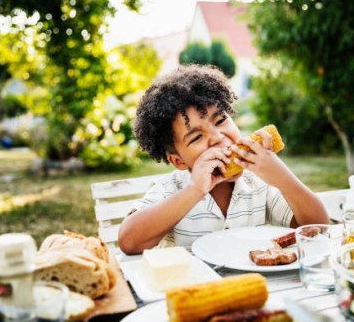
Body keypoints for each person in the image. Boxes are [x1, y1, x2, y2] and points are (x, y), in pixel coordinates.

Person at [118, 64, 329, 255]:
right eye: (197, 137)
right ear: (179, 161)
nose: (218, 137)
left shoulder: (259, 184)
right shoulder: (171, 191)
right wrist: (194, 190)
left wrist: (282, 178)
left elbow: (318, 228)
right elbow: (129, 241)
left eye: (220, 120)